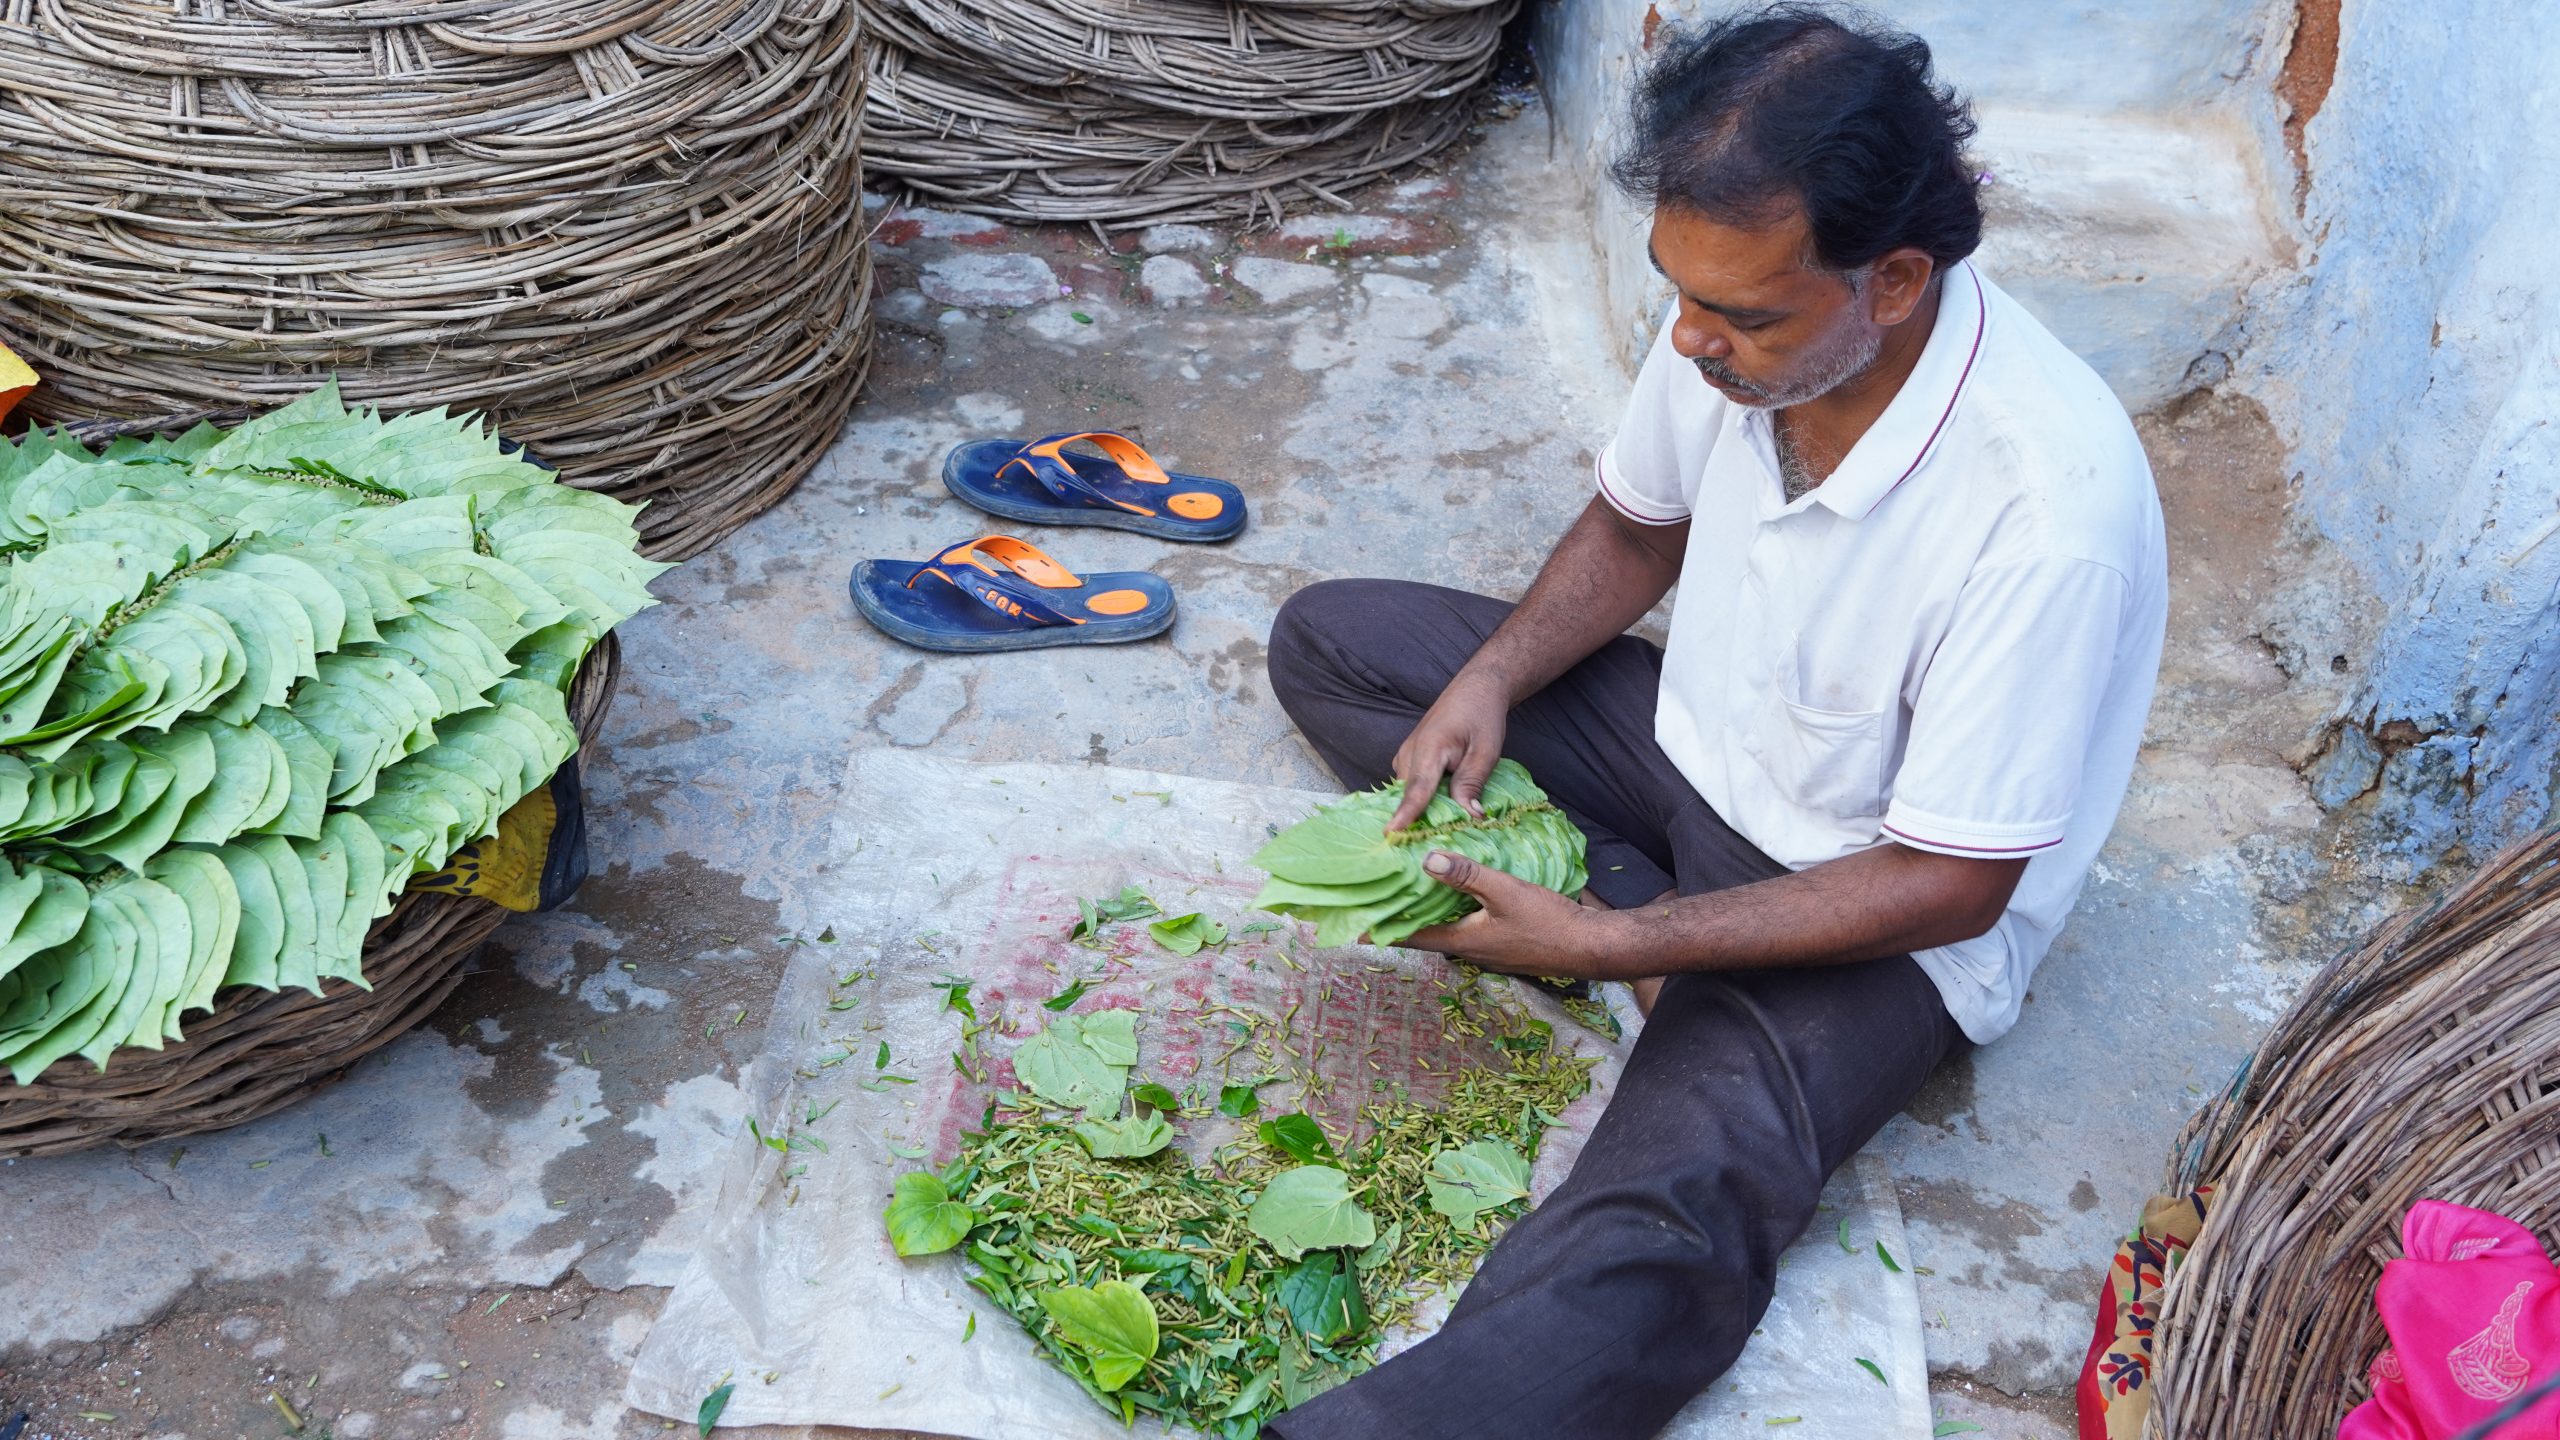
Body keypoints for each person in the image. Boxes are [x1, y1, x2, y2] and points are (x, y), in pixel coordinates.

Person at [1260, 5, 2169, 1436]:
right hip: (1694, 762)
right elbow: (1636, 526)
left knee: (1659, 1228)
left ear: (1897, 279)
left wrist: (1615, 940)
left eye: (1739, 314)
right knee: (1343, 646)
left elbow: (1954, 880)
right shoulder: (1736, 328)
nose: (1688, 340)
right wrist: (1492, 681)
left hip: (1872, 907)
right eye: (1677, 291)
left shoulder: (2045, 513)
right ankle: (1653, 932)